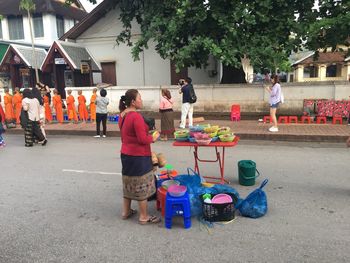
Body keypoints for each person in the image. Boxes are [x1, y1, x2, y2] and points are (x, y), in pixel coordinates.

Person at [118, 89, 161, 225]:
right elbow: (142, 139)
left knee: (129, 183)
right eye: (140, 98)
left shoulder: (123, 115)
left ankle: (126, 212)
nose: (141, 100)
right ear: (133, 102)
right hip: (138, 156)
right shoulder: (136, 116)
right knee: (141, 185)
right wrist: (153, 137)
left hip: (126, 154)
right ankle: (143, 216)